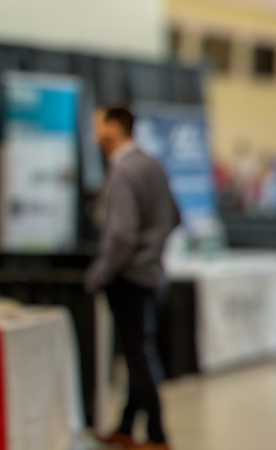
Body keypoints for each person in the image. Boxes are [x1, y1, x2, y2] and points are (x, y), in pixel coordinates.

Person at [86, 106, 181, 450]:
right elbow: (174, 216)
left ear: (113, 127)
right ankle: (127, 427)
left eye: (98, 124)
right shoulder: (151, 164)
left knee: (139, 356)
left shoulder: (126, 170)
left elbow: (122, 234)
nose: (95, 133)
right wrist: (152, 250)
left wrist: (102, 271)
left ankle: (157, 435)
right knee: (136, 353)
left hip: (130, 278)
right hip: (152, 274)